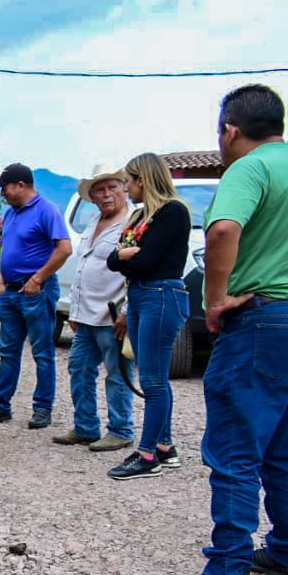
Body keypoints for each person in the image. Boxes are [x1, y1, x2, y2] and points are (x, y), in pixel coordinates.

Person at [164, 84, 288, 575]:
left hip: (263, 320)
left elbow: (223, 229)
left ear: (230, 130)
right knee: (283, 443)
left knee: (234, 446)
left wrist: (214, 300)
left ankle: (229, 569)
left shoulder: (250, 169)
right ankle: (287, 554)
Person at [103, 153, 189, 480]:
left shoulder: (173, 212)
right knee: (150, 375)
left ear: (144, 179)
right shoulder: (141, 215)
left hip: (161, 296)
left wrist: (123, 257)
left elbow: (146, 260)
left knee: (153, 380)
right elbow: (116, 259)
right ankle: (165, 447)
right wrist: (123, 256)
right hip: (140, 295)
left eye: (129, 181)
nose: (127, 187)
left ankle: (148, 453)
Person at [0, 163, 71, 430]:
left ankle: (42, 408)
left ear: (21, 185)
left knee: (42, 352)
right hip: (12, 292)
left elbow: (64, 248)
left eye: (5, 187)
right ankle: (0, 406)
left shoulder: (47, 210)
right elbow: (9, 248)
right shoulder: (11, 213)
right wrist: (2, 279)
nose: (2, 193)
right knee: (8, 351)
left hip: (36, 290)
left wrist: (38, 278)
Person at [53, 162, 135, 451]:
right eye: (99, 190)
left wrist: (128, 311)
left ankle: (121, 429)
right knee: (79, 369)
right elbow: (83, 267)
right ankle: (86, 426)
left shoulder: (132, 224)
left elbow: (136, 271)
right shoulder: (92, 223)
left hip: (112, 315)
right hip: (86, 316)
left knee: (118, 374)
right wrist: (74, 312)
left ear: (124, 188)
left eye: (112, 187)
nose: (106, 194)